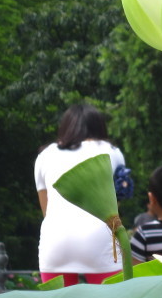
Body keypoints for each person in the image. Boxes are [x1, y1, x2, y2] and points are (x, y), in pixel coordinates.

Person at [34, 104, 126, 287]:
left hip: (55, 241)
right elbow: (115, 205)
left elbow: (46, 209)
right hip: (99, 240)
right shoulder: (111, 151)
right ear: (99, 126)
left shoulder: (45, 155)